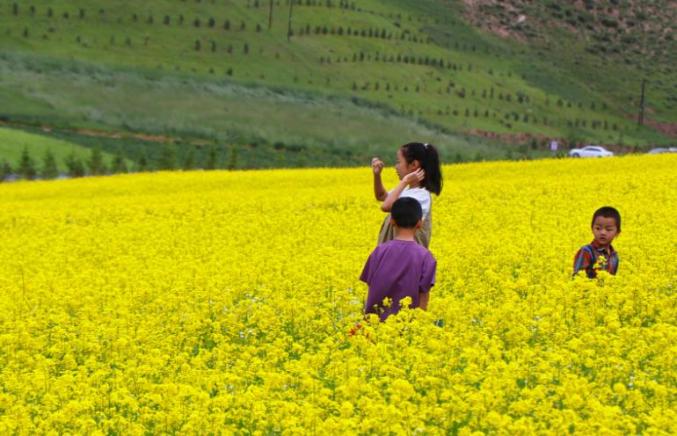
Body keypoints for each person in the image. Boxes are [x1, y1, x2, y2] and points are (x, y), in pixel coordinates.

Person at [360, 197, 437, 321]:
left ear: (392, 221)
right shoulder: (426, 256)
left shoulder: (379, 251)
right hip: (407, 325)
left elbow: (370, 286)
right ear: (420, 223)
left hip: (375, 324)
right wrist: (420, 325)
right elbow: (424, 295)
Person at [371, 142, 442, 248]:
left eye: (398, 162)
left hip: (405, 255)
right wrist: (377, 175)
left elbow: (385, 206)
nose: (396, 167)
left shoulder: (420, 196)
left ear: (413, 165)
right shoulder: (406, 190)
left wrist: (405, 181)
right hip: (393, 252)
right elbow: (381, 196)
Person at [573, 206, 621, 278]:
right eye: (598, 228)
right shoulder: (586, 252)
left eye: (608, 229)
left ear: (617, 233)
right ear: (592, 229)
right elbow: (578, 277)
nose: (602, 232)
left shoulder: (614, 256)